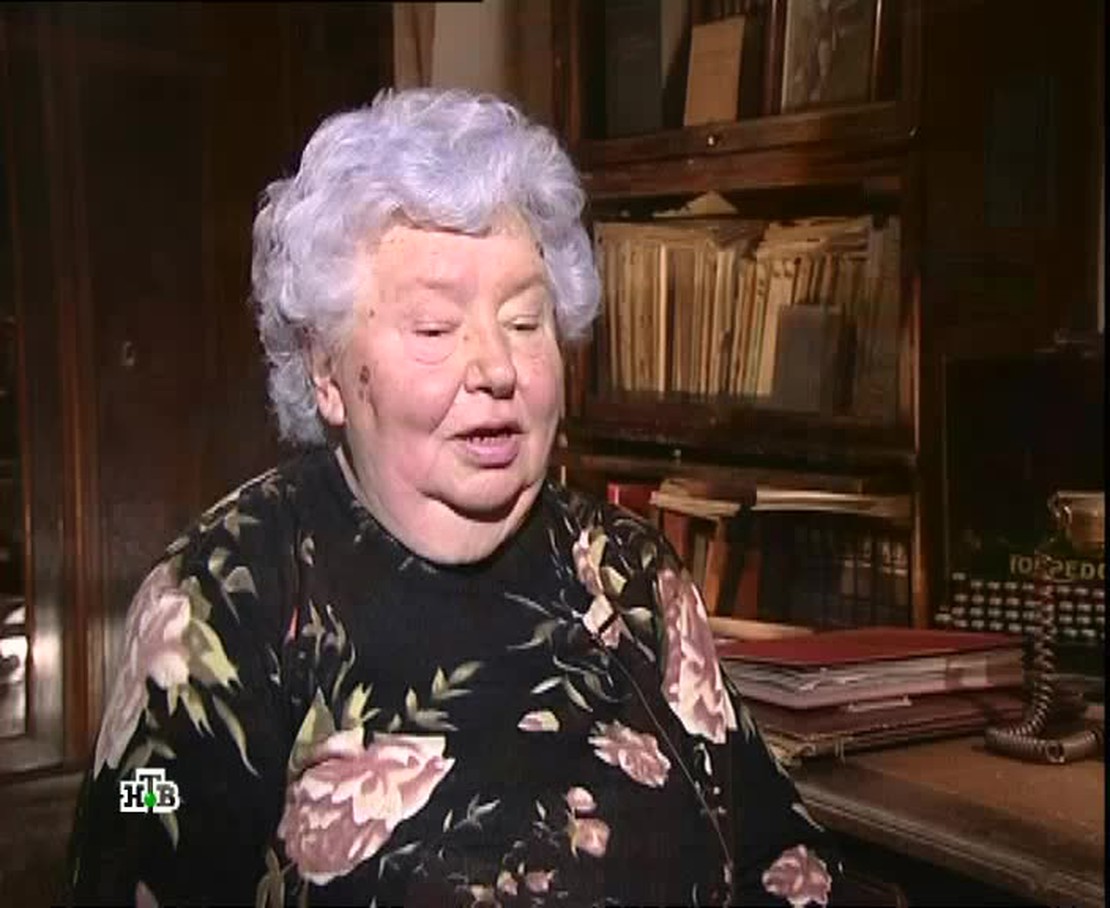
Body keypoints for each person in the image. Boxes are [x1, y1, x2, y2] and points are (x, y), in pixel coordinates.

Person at [66, 88, 842, 906]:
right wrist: (165, 794)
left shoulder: (628, 573)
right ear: (328, 371)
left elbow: (778, 853)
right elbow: (137, 810)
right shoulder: (226, 596)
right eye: (436, 329)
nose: (497, 369)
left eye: (525, 322)